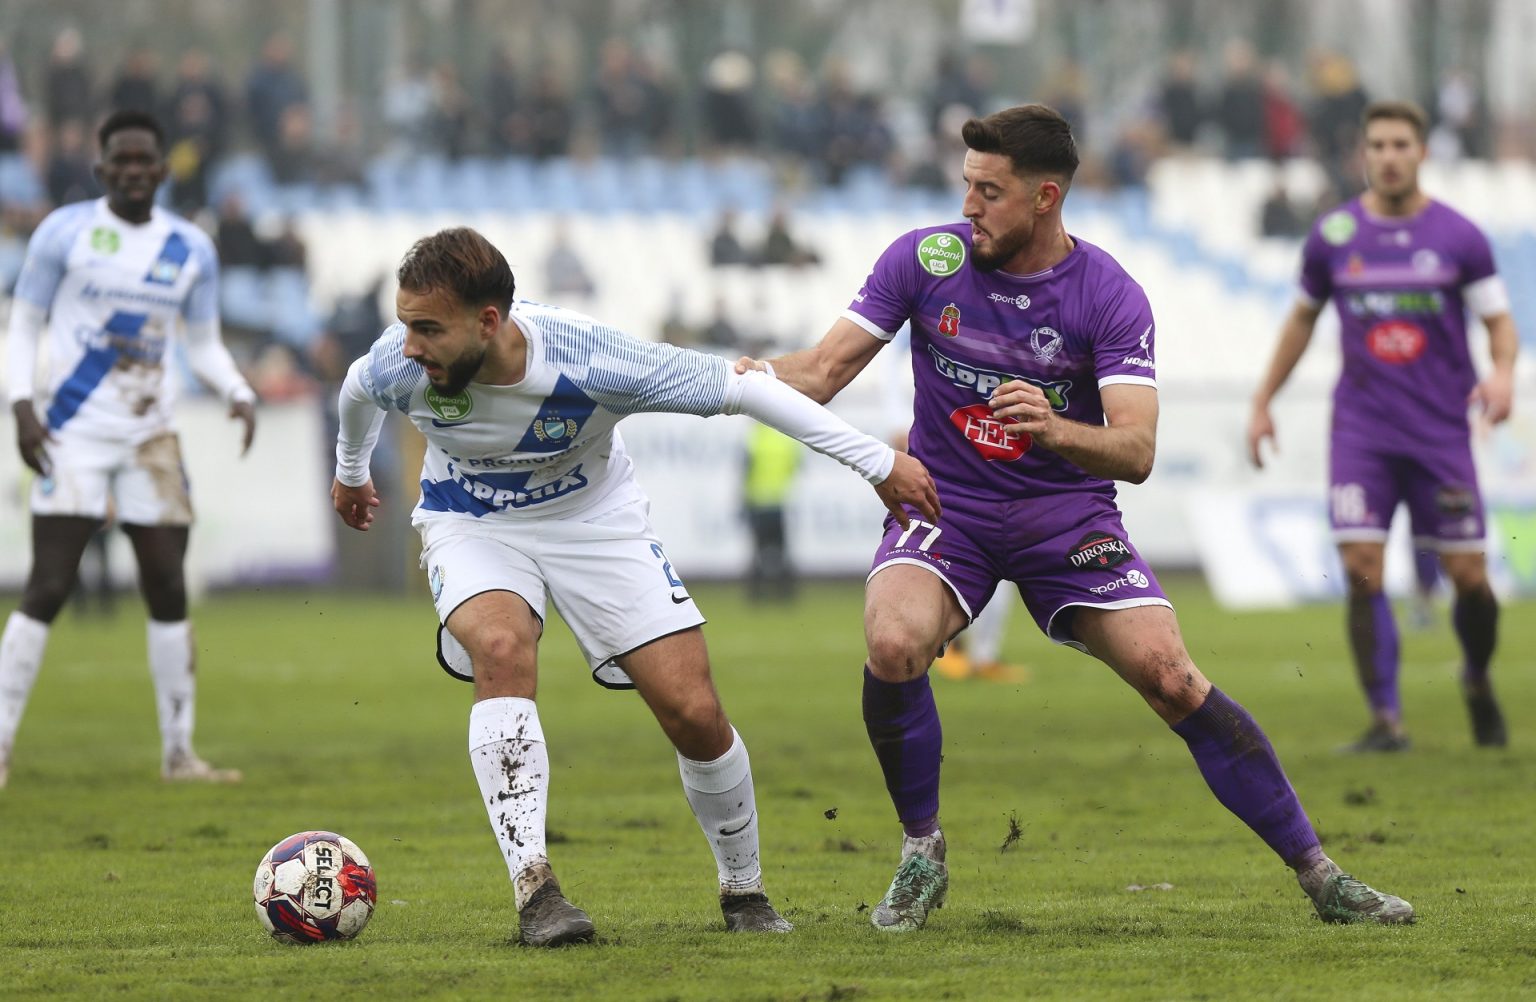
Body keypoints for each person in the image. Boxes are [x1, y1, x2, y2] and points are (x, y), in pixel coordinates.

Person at [737, 104, 1413, 931]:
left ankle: (1322, 875)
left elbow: (1137, 449)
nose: (969, 207)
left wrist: (1053, 428)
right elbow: (821, 370)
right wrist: (738, 380)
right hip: (950, 507)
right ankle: (921, 851)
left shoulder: (1108, 294)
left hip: (1066, 516)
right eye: (967, 186)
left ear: (1045, 197)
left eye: (990, 192)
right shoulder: (925, 259)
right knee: (892, 641)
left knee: (1172, 676)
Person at [330, 227, 939, 946]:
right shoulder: (400, 361)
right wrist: (350, 471)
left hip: (595, 522)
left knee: (693, 710)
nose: (410, 346)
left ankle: (744, 891)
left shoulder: (592, 359)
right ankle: (536, 892)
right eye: (405, 324)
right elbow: (357, 391)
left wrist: (877, 463)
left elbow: (746, 392)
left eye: (428, 329)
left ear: (488, 321)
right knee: (499, 646)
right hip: (472, 522)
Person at [1247, 100, 1516, 752]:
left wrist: (1504, 373)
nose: (1389, 157)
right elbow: (1303, 319)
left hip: (1440, 433)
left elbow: (1498, 322)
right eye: (1378, 145)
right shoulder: (1334, 236)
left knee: (1469, 577)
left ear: (1421, 152)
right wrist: (1263, 400)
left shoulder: (1459, 237)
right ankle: (1387, 720)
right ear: (1362, 154)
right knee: (1362, 566)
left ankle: (1476, 677)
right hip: (1362, 432)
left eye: (1400, 144)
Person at [1, 109, 257, 789]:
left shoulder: (190, 247)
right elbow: (23, 324)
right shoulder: (65, 232)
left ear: (164, 169)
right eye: (122, 160)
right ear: (101, 168)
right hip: (73, 430)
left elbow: (202, 343)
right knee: (48, 586)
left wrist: (236, 389)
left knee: (167, 584)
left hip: (150, 434)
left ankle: (179, 754)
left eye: (146, 161)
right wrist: (22, 406)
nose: (135, 171)